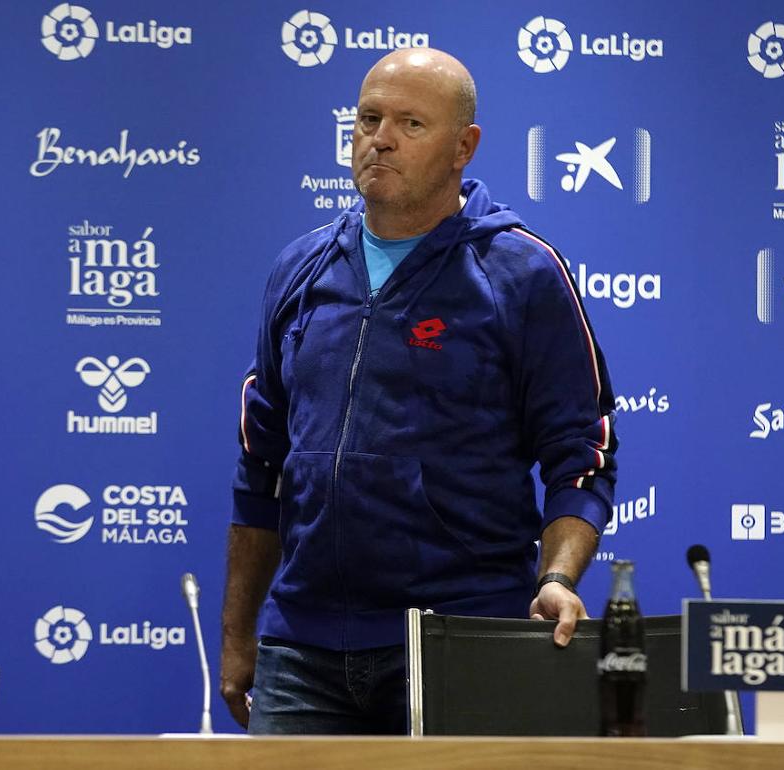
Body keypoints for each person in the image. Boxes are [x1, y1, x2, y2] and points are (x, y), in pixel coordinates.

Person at [221, 47, 618, 735]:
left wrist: (557, 579)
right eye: (369, 119)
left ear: (464, 146)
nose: (381, 138)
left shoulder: (521, 274)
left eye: (410, 123)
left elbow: (580, 454)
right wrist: (237, 633)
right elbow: (261, 466)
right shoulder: (299, 268)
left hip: (463, 637)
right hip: (303, 651)